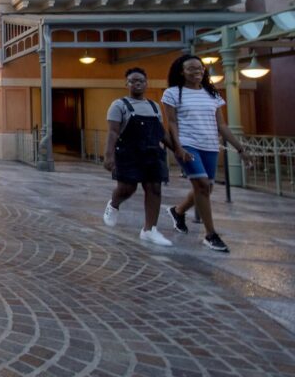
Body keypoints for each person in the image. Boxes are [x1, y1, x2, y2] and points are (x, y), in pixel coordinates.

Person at [161, 55, 251, 253]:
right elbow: (172, 123)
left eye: (200, 68)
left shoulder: (212, 94)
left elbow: (222, 125)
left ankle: (178, 211)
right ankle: (210, 235)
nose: (197, 72)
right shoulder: (173, 93)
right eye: (191, 69)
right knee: (202, 184)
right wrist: (178, 146)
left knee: (206, 188)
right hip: (187, 144)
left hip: (209, 146)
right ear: (181, 72)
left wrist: (240, 148)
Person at [101, 67, 173, 247]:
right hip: (128, 153)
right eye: (133, 81)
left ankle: (150, 230)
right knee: (128, 188)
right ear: (127, 84)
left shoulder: (154, 106)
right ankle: (114, 204)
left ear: (146, 83)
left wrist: (177, 150)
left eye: (140, 80)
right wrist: (109, 155)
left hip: (152, 153)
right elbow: (113, 132)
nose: (137, 83)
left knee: (154, 188)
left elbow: (160, 132)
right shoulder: (119, 105)